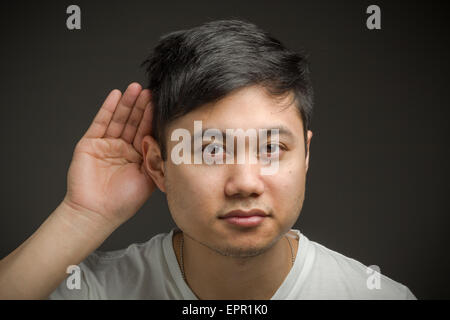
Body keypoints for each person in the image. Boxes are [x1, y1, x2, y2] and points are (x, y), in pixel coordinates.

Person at [0, 19, 416, 300]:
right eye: (211, 149)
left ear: (306, 155)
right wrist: (82, 215)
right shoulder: (93, 290)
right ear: (158, 166)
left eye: (272, 148)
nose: (245, 183)